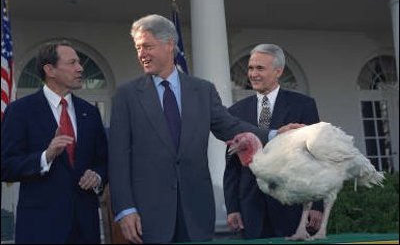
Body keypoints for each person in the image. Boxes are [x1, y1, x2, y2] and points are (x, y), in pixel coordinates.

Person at [107, 14, 269, 244]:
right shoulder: (127, 95)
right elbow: (118, 158)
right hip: (147, 216)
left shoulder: (202, 90)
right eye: (138, 48)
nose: (142, 54)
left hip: (196, 213)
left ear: (170, 45)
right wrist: (125, 209)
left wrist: (275, 135)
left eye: (147, 46)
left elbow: (229, 126)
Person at [1, 40, 108, 244]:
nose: (80, 68)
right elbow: (6, 166)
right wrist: (45, 156)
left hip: (85, 228)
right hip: (40, 228)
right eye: (72, 63)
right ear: (50, 69)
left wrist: (97, 175)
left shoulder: (90, 112)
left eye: (79, 62)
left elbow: (103, 161)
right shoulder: (20, 111)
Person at [223, 44, 323, 239]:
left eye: (260, 68)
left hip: (292, 207)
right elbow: (232, 166)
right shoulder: (236, 112)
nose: (253, 74)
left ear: (278, 71)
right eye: (251, 68)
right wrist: (232, 208)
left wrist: (316, 205)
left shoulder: (303, 105)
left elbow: (315, 158)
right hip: (250, 208)